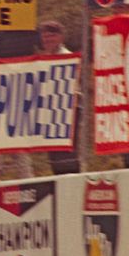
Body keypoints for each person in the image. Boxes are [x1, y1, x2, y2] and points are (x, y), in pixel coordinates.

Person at [36, 20, 80, 175]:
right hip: (51, 109)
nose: (47, 40)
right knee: (54, 153)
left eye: (51, 37)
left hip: (68, 109)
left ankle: (72, 179)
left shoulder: (66, 56)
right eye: (45, 37)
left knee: (67, 152)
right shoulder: (44, 58)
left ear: (61, 37)